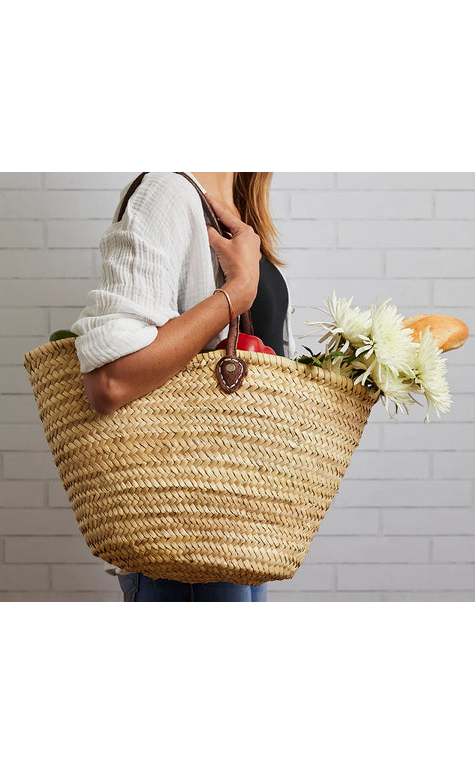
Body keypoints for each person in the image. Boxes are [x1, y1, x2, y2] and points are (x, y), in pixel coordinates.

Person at [70, 172, 297, 602]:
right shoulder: (167, 194)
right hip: (187, 524)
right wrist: (237, 292)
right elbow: (110, 378)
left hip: (243, 520)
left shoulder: (236, 208)